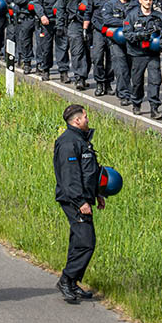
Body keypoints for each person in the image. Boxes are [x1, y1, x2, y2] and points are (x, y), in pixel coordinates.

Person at [52, 104, 102, 304]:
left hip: (83, 198)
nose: (88, 120)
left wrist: (97, 194)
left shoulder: (81, 140)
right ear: (77, 120)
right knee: (87, 242)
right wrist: (81, 201)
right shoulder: (68, 143)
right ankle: (66, 279)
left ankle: (72, 283)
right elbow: (70, 177)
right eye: (85, 117)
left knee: (78, 242)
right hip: (73, 200)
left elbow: (89, 171)